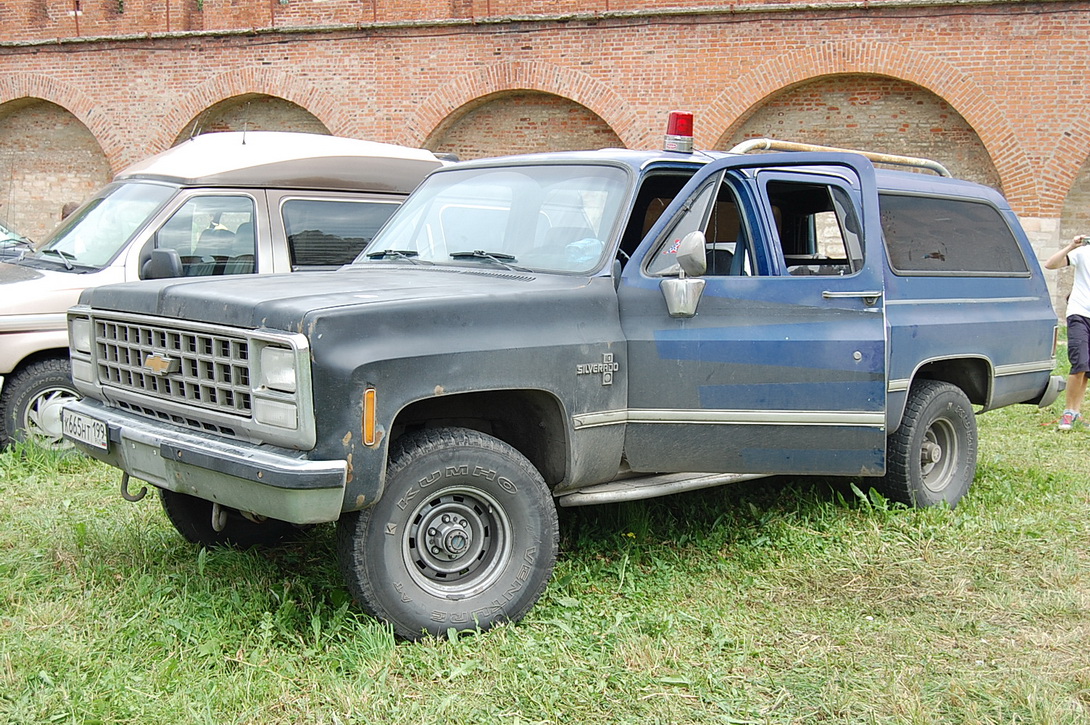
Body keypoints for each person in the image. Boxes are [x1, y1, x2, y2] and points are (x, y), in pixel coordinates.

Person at [1045, 234, 1090, 429]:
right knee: (1079, 362)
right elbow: (1050, 264)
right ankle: (1068, 413)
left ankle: (1076, 411)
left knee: (1087, 369)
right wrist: (1071, 245)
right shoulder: (1082, 253)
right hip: (1079, 313)